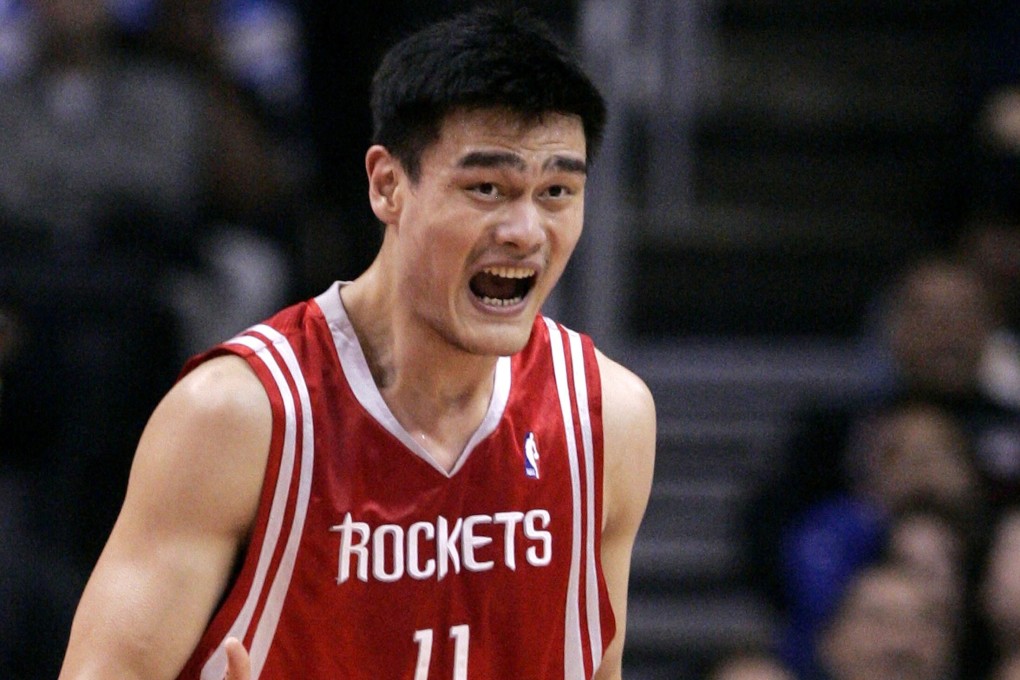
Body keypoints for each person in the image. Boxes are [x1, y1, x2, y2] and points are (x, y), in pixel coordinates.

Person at [57, 7, 656, 680]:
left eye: (557, 191)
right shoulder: (237, 418)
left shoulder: (605, 420)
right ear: (387, 185)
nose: (525, 230)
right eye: (487, 188)